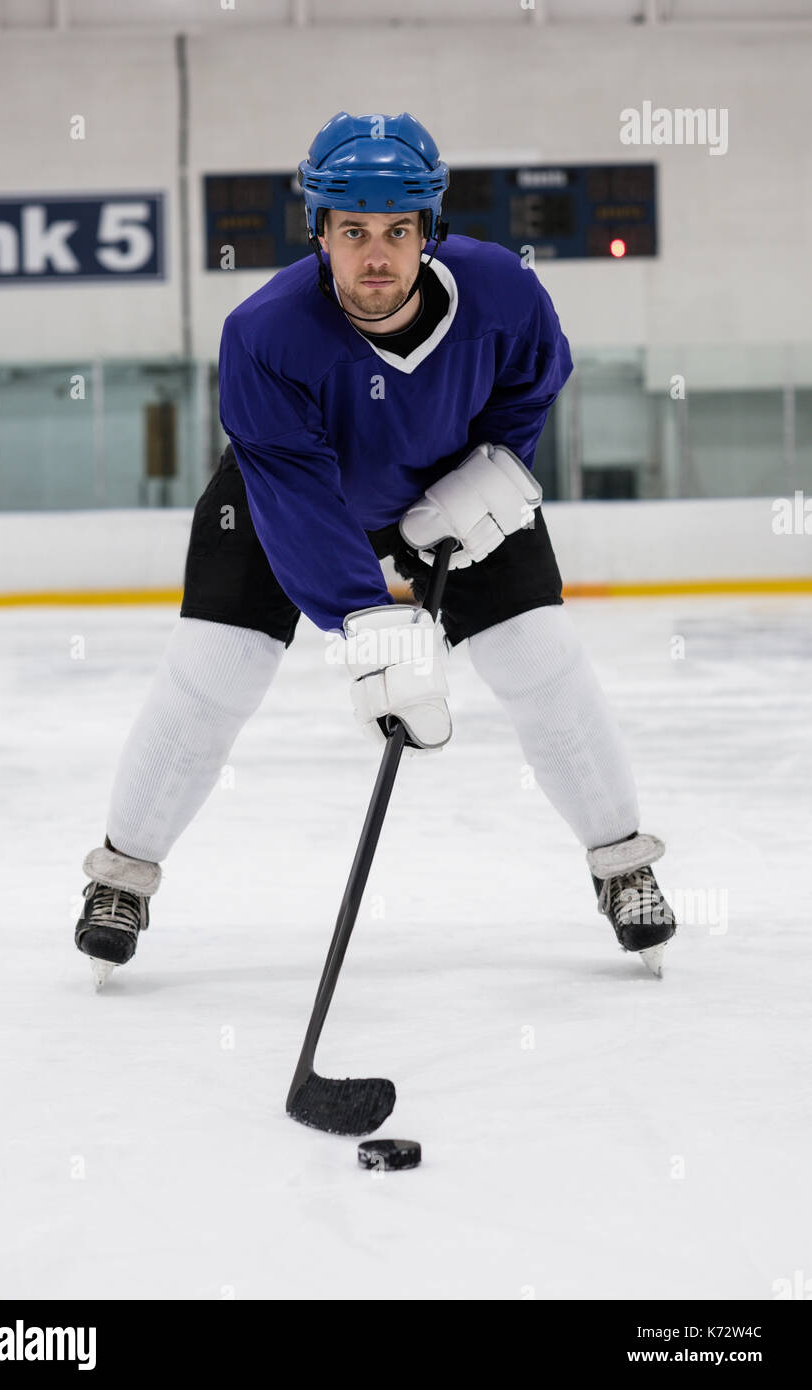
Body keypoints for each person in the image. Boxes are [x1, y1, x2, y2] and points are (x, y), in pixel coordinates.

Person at [74, 110, 675, 983]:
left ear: (429, 228)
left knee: (542, 660)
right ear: (318, 231)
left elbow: (529, 388)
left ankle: (623, 868)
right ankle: (120, 879)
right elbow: (296, 490)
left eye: (397, 231)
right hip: (285, 499)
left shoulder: (504, 294)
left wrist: (492, 474)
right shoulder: (263, 334)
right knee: (214, 672)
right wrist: (368, 625)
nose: (376, 257)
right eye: (352, 231)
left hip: (451, 488)